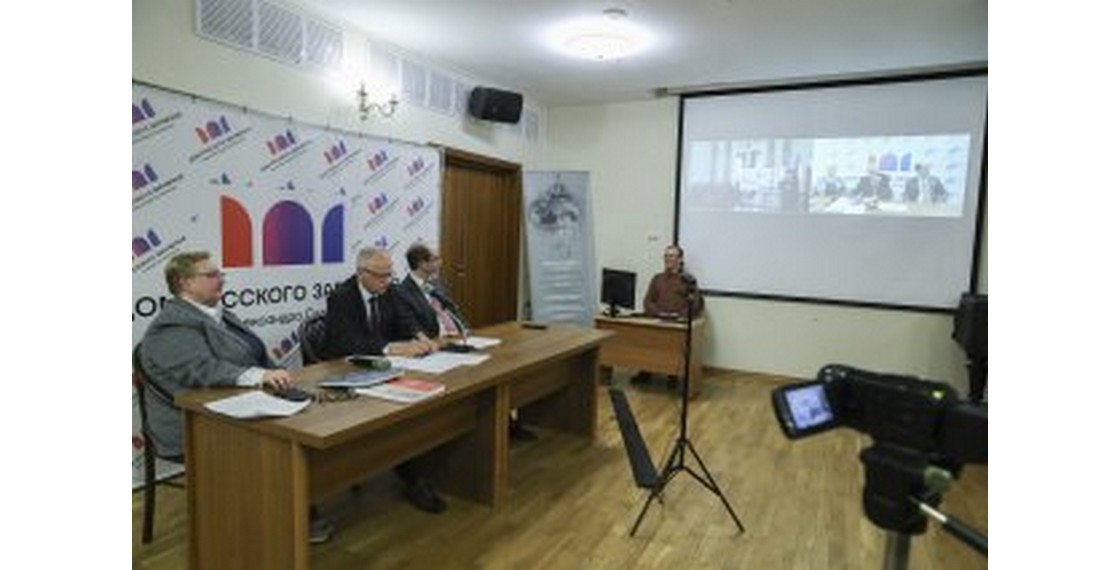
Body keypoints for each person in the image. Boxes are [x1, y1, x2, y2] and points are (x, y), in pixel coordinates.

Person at [139, 251, 333, 543]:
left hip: (238, 407)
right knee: (279, 446)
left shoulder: (219, 314)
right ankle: (283, 523)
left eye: (220, 274)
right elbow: (202, 370)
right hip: (191, 424)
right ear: (184, 283)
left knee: (310, 425)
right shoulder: (170, 326)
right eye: (211, 275)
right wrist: (259, 376)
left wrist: (277, 377)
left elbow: (255, 355)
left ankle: (295, 509)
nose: (222, 279)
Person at [321, 247, 448, 514]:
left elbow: (404, 322)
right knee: (401, 420)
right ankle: (415, 480)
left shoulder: (390, 291)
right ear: (361, 273)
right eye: (381, 275)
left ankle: (418, 473)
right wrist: (390, 348)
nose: (387, 281)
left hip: (385, 370)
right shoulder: (341, 297)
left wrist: (419, 337)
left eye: (390, 274)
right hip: (349, 371)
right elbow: (345, 342)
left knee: (415, 409)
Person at [397, 242, 538, 441]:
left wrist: (466, 330)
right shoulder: (402, 291)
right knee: (478, 373)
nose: (441, 262)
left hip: (457, 340)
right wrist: (440, 341)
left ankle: (504, 423)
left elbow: (453, 310)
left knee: (496, 366)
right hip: (436, 348)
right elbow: (411, 327)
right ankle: (485, 430)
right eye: (436, 259)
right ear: (421, 263)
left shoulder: (436, 284)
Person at [634, 244, 704, 389]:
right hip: (658, 321)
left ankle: (672, 374)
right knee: (644, 336)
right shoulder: (657, 278)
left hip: (677, 324)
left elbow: (696, 304)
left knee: (673, 342)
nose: (667, 259)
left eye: (671, 256)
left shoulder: (688, 280)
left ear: (680, 259)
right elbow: (647, 301)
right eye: (666, 256)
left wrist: (679, 316)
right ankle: (646, 370)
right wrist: (658, 313)